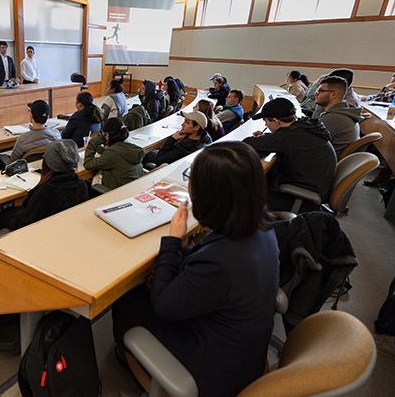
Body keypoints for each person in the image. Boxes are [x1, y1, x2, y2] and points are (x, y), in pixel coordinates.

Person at [112, 141, 279, 397]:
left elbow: (163, 307)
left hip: (211, 373)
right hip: (243, 353)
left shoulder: (219, 261)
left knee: (127, 302)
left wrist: (174, 241)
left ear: (211, 195)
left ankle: (133, 362)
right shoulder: (263, 229)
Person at [243, 97, 336, 212]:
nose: (266, 125)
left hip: (301, 198)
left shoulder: (291, 136)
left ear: (276, 121)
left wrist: (266, 139)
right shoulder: (303, 126)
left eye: (266, 122)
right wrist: (268, 137)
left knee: (243, 193)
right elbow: (284, 140)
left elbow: (248, 144)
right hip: (312, 187)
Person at [8, 140, 89, 231]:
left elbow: (20, 223)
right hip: (64, 231)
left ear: (47, 163)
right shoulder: (82, 185)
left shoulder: (44, 191)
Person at [0, 100, 61, 170]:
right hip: (49, 173)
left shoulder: (22, 139)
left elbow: (13, 162)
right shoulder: (57, 134)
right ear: (47, 117)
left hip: (27, 175)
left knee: (0, 158)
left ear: (31, 115)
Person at [83, 117, 144, 190]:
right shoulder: (130, 146)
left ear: (107, 135)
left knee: (85, 184)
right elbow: (115, 155)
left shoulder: (112, 154)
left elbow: (88, 164)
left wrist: (93, 142)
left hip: (115, 191)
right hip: (132, 188)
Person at [315, 76, 362, 156]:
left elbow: (310, 145)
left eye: (320, 90)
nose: (316, 93)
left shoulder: (332, 119)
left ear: (333, 94)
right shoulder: (345, 111)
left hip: (323, 162)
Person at [145, 111, 212, 166]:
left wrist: (172, 139)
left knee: (146, 155)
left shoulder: (185, 149)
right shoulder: (205, 139)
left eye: (187, 122)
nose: (182, 124)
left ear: (196, 127)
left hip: (168, 168)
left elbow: (159, 160)